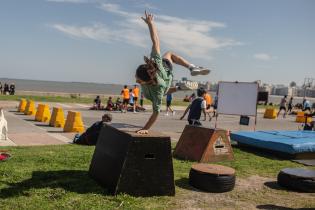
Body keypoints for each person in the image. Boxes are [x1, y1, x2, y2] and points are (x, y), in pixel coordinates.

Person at [135, 11, 210, 134]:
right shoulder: (154, 64)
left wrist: (145, 128)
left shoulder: (157, 90)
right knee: (169, 55)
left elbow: (156, 113)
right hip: (163, 70)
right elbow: (156, 41)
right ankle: (191, 68)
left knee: (163, 89)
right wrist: (150, 23)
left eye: (137, 78)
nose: (135, 79)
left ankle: (180, 85)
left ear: (142, 81)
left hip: (163, 79)